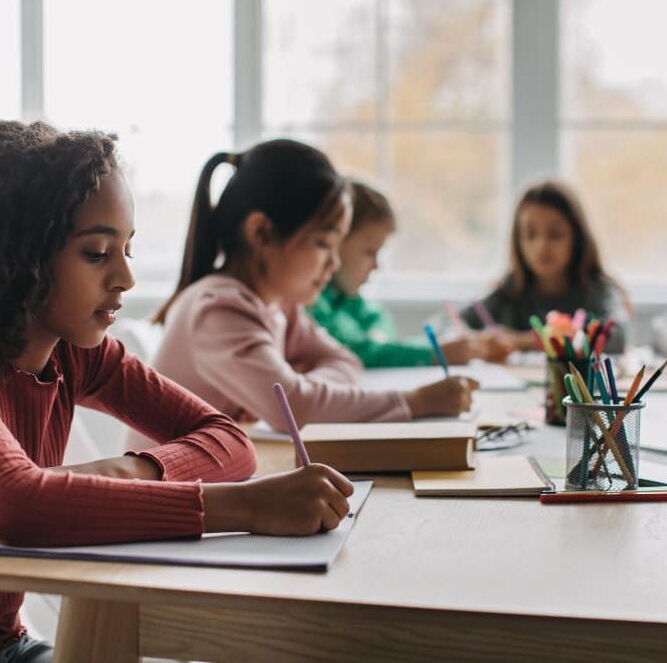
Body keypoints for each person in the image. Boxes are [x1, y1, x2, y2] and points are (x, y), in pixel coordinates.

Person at [0, 121, 355, 660]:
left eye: (128, 250)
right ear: (19, 255)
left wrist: (123, 472)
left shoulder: (80, 354)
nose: (125, 277)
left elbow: (230, 442)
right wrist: (247, 508)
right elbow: (19, 504)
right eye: (96, 253)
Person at [132, 140, 476, 448]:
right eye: (324, 244)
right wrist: (414, 402)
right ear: (262, 232)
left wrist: (300, 388)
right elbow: (292, 407)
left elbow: (343, 361)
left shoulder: (281, 306)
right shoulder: (217, 308)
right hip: (167, 498)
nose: (334, 262)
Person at [307, 179, 512, 368]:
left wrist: (379, 344)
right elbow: (353, 351)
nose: (376, 266)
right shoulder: (311, 299)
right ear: (336, 241)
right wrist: (434, 353)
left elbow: (381, 321)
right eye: (370, 251)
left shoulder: (348, 298)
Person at [460, 180, 629, 353]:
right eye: (530, 234)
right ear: (518, 241)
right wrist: (477, 343)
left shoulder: (598, 290)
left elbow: (616, 336)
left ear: (576, 238)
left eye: (555, 234)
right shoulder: (508, 292)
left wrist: (523, 341)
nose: (542, 246)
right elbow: (448, 324)